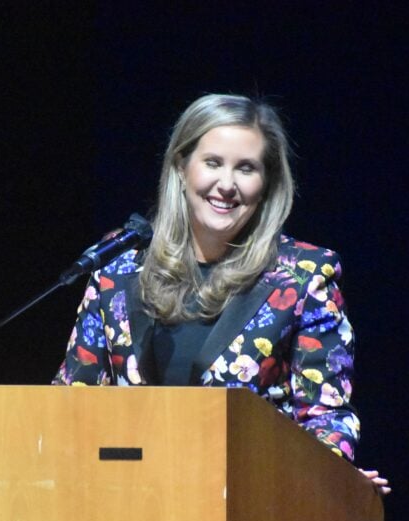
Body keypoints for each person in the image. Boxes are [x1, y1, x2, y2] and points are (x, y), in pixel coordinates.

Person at [52, 93, 389, 496]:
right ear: (181, 166)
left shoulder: (303, 277)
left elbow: (325, 416)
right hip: (127, 503)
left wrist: (329, 479)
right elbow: (72, 400)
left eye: (246, 169)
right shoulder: (118, 268)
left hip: (250, 503)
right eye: (213, 163)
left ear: (266, 185)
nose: (226, 185)